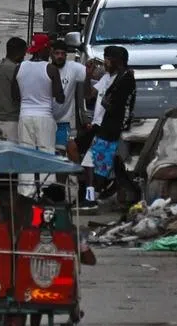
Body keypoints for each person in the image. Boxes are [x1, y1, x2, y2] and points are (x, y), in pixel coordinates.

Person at [83, 46, 136, 209]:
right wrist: (87, 76)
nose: (104, 62)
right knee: (95, 165)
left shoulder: (125, 78)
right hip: (103, 127)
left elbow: (118, 106)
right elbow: (90, 95)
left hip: (111, 129)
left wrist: (107, 102)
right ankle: (93, 196)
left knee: (95, 165)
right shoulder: (110, 77)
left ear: (117, 61)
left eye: (107, 58)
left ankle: (92, 197)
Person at [12, 34, 64, 194]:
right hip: (44, 117)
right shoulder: (50, 69)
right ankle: (46, 191)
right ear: (44, 49)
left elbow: (15, 96)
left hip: (25, 116)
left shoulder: (19, 67)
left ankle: (26, 192)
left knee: (26, 153)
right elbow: (60, 97)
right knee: (46, 153)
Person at [50, 38, 88, 164]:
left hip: (63, 123)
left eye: (63, 54)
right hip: (45, 121)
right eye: (57, 53)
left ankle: (65, 182)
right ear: (51, 53)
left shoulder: (73, 68)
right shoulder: (44, 68)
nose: (60, 56)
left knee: (61, 158)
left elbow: (92, 74)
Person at [0, 37, 28, 142]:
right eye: (23, 52)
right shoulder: (12, 69)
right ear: (17, 52)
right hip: (10, 118)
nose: (24, 55)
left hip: (4, 115)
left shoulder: (2, 66)